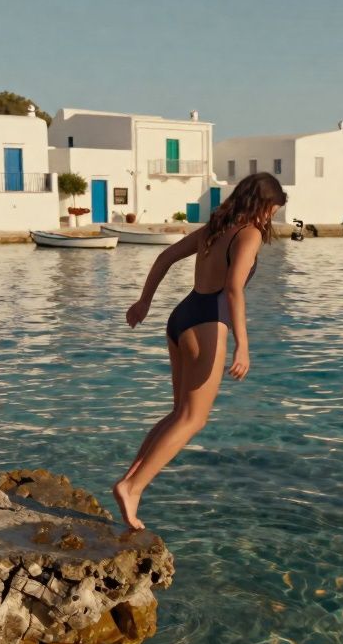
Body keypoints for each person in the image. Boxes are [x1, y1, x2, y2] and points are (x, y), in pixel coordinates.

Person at [113, 172, 287, 530]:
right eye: (272, 209)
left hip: (183, 316)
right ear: (264, 205)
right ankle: (132, 487)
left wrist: (144, 302)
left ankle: (131, 482)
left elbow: (164, 257)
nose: (271, 217)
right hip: (209, 322)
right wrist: (243, 345)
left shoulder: (216, 228)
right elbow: (234, 289)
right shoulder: (249, 233)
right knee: (194, 419)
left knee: (179, 413)